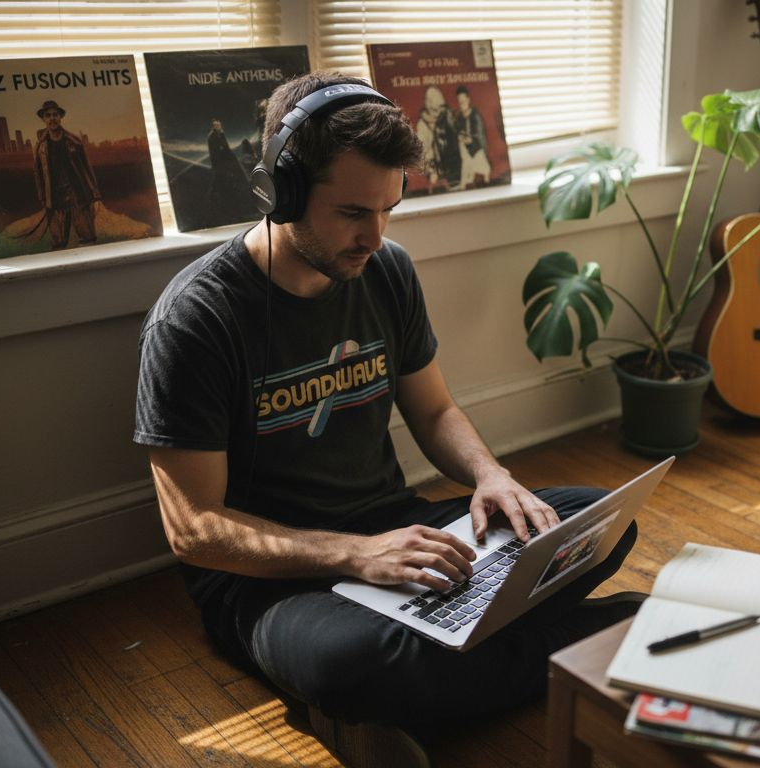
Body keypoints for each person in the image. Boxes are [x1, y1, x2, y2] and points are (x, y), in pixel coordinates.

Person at [133, 73, 642, 737]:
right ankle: (598, 636)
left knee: (598, 525)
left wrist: (492, 477)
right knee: (353, 665)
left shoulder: (387, 268)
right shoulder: (196, 320)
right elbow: (194, 529)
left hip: (403, 529)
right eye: (351, 213)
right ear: (280, 193)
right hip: (271, 579)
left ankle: (439, 678)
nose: (374, 237)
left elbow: (434, 414)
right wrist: (355, 555)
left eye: (388, 212)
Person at [32, 99, 102, 249]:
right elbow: (38, 174)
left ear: (60, 117)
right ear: (44, 119)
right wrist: (43, 198)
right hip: (55, 199)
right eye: (48, 115)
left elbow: (87, 168)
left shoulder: (74, 141)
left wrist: (94, 193)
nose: (52, 118)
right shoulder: (41, 147)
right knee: (59, 242)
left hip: (78, 195)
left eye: (55, 114)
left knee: (88, 238)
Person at [454, 85, 491, 189]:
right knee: (465, 163)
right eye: (459, 101)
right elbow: (458, 132)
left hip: (476, 148)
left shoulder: (475, 115)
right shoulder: (459, 118)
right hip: (465, 149)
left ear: (468, 99)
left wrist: (471, 139)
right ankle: (465, 181)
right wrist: (461, 137)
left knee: (485, 169)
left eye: (463, 100)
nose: (462, 103)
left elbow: (479, 134)